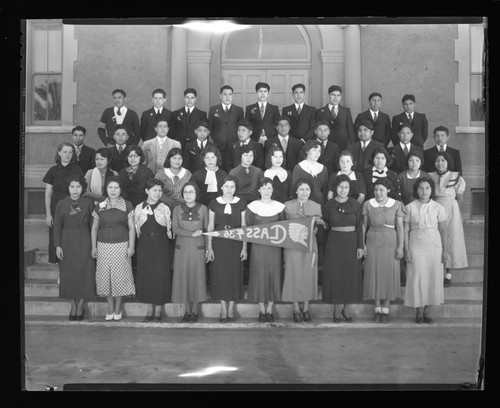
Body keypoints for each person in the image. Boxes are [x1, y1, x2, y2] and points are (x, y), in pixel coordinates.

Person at [404, 177, 448, 324]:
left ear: (432, 190)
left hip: (434, 244)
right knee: (417, 276)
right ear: (416, 190)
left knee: (432, 276)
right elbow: (405, 230)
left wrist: (445, 250)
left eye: (427, 188)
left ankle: (428, 311)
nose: (424, 191)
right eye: (421, 188)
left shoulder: (438, 207)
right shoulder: (409, 207)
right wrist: (406, 250)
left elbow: (442, 230)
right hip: (415, 243)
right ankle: (418, 311)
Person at [91, 176, 136, 321]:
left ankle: (118, 307)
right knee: (106, 278)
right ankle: (109, 307)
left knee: (119, 277)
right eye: (110, 187)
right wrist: (93, 246)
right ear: (106, 189)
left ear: (121, 189)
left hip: (121, 245)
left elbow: (131, 228)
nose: (113, 190)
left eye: (116, 187)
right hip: (103, 245)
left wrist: (131, 246)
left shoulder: (127, 205)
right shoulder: (100, 205)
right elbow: (94, 228)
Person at [53, 174, 96, 321]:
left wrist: (93, 245)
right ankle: (72, 304)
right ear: (68, 188)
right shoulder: (61, 203)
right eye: (72, 186)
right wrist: (57, 245)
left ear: (83, 188)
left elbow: (93, 226)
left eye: (78, 186)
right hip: (66, 241)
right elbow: (57, 226)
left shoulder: (88, 203)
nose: (75, 190)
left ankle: (81, 304)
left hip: (85, 240)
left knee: (85, 273)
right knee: (68, 274)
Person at [362, 178, 405, 323]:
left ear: (388, 190)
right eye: (376, 190)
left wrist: (400, 246)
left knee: (388, 273)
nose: (378, 193)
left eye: (381, 190)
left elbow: (400, 227)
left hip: (390, 240)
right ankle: (377, 308)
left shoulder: (397, 205)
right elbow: (363, 226)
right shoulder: (368, 204)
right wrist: (362, 244)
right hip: (372, 239)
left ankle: (386, 309)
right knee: (374, 272)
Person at [322, 174, 364, 323]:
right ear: (335, 188)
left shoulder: (356, 205)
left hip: (352, 242)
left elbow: (360, 227)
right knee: (335, 275)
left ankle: (346, 309)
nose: (343, 190)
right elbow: (325, 225)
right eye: (340, 187)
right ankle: (336, 309)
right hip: (334, 242)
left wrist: (360, 246)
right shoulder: (328, 205)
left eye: (346, 187)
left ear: (350, 189)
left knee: (350, 276)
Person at [282, 178, 324, 322]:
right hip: (292, 244)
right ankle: (295, 308)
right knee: (293, 274)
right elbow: (283, 226)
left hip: (310, 244)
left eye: (307, 189)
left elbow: (317, 229)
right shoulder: (287, 206)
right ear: (296, 191)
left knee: (308, 274)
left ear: (310, 191)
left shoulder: (316, 206)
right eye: (301, 189)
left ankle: (305, 308)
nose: (304, 192)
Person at [207, 175, 247, 322]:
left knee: (234, 275)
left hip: (235, 243)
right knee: (221, 276)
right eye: (227, 186)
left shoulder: (241, 203)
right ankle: (223, 310)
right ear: (221, 187)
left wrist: (244, 247)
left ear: (235, 188)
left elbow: (244, 227)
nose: (229, 189)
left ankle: (231, 310)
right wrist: (209, 247)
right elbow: (210, 226)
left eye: (232, 187)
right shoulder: (214, 203)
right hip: (219, 243)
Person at [246, 178, 285, 322]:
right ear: (259, 190)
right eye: (263, 188)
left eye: (269, 188)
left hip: (274, 247)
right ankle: (261, 310)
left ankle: (270, 309)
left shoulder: (280, 207)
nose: (266, 191)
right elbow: (248, 226)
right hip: (258, 248)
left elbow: (283, 228)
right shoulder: (252, 207)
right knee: (259, 274)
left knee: (273, 274)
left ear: (273, 190)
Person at [134, 179, 173, 322]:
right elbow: (137, 228)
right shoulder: (139, 208)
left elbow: (169, 229)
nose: (157, 193)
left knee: (160, 275)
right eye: (154, 190)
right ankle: (149, 310)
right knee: (147, 275)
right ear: (147, 191)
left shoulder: (165, 207)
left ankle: (158, 311)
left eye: (159, 190)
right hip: (144, 244)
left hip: (161, 244)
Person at [171, 182, 209, 323]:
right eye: (186, 192)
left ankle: (194, 311)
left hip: (198, 248)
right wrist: (192, 233)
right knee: (184, 278)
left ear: (196, 193)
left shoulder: (204, 209)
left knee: (197, 278)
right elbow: (175, 229)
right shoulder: (177, 209)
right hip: (182, 248)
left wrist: (208, 248)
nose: (188, 195)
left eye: (191, 192)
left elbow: (206, 229)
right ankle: (186, 311)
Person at [429, 152, 468, 286]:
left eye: (443, 161)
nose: (440, 163)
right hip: (434, 209)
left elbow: (460, 197)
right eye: (437, 161)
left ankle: (448, 273)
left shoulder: (456, 177)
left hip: (451, 209)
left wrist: (453, 209)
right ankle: (435, 271)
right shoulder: (430, 176)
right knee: (436, 239)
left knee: (451, 238)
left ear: (448, 162)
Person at [43, 143, 84, 264]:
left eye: (70, 152)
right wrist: (48, 215)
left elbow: (81, 191)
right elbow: (48, 194)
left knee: (71, 234)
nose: (67, 155)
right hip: (56, 207)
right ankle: (58, 268)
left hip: (73, 206)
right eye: (65, 152)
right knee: (56, 235)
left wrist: (76, 209)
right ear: (59, 153)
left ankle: (70, 265)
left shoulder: (77, 170)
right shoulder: (53, 170)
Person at [208, 85, 245, 172]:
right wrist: (218, 138)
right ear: (220, 96)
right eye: (225, 94)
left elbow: (241, 128)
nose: (227, 97)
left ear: (233, 96)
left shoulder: (239, 110)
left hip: (234, 145)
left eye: (230, 94)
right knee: (219, 169)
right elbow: (210, 127)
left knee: (233, 170)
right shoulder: (213, 109)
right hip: (218, 146)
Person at [315, 85, 355, 151]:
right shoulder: (320, 111)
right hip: (325, 145)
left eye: (338, 95)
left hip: (342, 145)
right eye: (333, 95)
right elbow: (316, 129)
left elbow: (350, 130)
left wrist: (353, 146)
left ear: (341, 97)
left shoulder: (346, 111)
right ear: (329, 95)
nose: (335, 98)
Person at [292, 139, 329, 205]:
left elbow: (325, 191)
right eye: (314, 150)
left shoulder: (323, 169)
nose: (317, 154)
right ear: (307, 151)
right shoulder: (298, 167)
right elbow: (294, 190)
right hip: (302, 204)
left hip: (319, 204)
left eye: (319, 151)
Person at [154, 147, 192, 212]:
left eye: (180, 158)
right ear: (169, 159)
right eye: (174, 158)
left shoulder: (187, 174)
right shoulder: (160, 174)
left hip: (183, 209)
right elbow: (154, 193)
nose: (177, 161)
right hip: (163, 209)